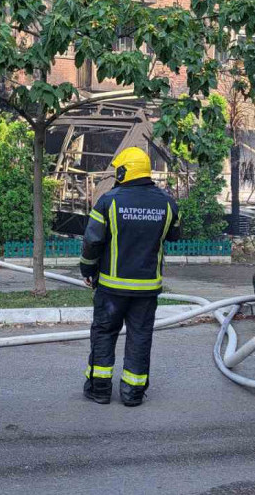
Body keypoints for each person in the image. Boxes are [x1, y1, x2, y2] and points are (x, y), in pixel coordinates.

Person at [79, 146, 180, 407]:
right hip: (147, 289)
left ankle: (100, 390)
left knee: (104, 334)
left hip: (111, 288)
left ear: (125, 172)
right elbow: (174, 235)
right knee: (140, 337)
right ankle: (133, 393)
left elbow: (92, 241)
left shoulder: (109, 201)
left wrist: (87, 270)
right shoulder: (167, 203)